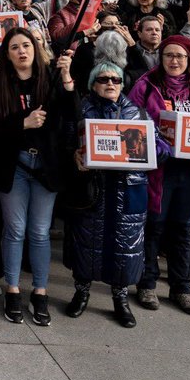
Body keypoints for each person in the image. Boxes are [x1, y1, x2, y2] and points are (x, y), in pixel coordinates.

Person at [0, 28, 74, 326]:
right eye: (14, 47)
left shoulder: (50, 79)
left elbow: (72, 116)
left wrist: (67, 79)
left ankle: (39, 291)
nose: (21, 51)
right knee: (15, 229)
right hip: (13, 167)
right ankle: (12, 289)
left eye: (26, 45)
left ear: (35, 48)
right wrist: (22, 124)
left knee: (39, 231)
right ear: (6, 54)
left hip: (46, 167)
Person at [127, 35, 190, 316]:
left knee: (183, 229)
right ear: (161, 58)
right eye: (169, 55)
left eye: (180, 56)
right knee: (154, 226)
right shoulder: (146, 85)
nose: (174, 61)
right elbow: (129, 119)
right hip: (159, 169)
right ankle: (147, 283)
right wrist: (155, 141)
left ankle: (181, 287)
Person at [64, 61, 148, 328]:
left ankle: (120, 299)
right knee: (86, 240)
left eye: (116, 79)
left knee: (124, 245)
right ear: (93, 84)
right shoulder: (81, 110)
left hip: (126, 189)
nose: (110, 83)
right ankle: (81, 292)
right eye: (103, 79)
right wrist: (74, 156)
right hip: (93, 188)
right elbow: (67, 141)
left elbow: (158, 148)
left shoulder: (137, 113)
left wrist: (151, 151)